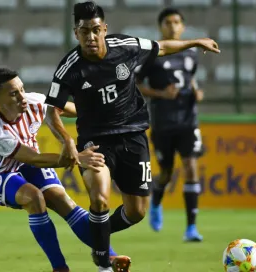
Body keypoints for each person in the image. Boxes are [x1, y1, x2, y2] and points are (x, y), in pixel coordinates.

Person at [44, 1, 220, 271]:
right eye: (83, 32)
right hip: (95, 141)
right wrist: (67, 141)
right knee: (100, 198)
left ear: (104, 29)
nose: (90, 37)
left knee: (137, 212)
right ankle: (103, 263)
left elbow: (161, 47)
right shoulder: (70, 67)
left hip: (133, 136)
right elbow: (51, 111)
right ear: (75, 33)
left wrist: (195, 42)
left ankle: (97, 238)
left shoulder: (125, 47)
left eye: (94, 30)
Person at [0, 68, 131, 272]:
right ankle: (60, 267)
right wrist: (78, 157)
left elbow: (70, 109)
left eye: (22, 89)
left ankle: (107, 256)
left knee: (63, 200)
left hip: (27, 163)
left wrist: (102, 113)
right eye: (13, 93)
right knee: (34, 198)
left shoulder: (33, 101)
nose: (22, 97)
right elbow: (35, 158)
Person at [136, 8, 205, 242]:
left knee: (191, 167)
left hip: (188, 121)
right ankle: (156, 200)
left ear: (183, 27)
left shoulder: (192, 54)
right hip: (163, 123)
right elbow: (134, 84)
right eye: (168, 22)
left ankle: (191, 228)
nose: (173, 26)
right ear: (161, 27)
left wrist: (196, 90)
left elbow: (190, 78)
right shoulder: (152, 55)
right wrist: (159, 94)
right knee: (165, 173)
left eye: (177, 22)